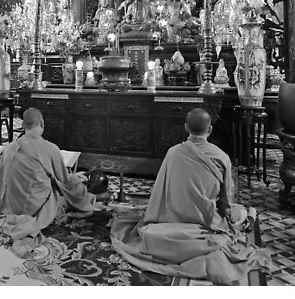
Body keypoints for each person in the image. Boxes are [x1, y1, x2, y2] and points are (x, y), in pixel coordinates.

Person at [110, 108, 272, 285]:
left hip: (170, 217)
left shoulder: (173, 153)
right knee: (241, 212)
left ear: (186, 127)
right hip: (205, 221)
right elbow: (225, 204)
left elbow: (160, 191)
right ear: (210, 130)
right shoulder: (221, 157)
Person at [0, 108, 108, 256]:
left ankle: (84, 201)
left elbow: (1, 179)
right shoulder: (50, 148)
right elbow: (65, 180)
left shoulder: (9, 147)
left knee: (52, 182)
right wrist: (79, 177)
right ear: (42, 123)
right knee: (67, 188)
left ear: (23, 125)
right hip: (34, 205)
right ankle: (87, 201)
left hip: (10, 204)